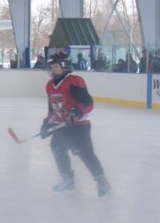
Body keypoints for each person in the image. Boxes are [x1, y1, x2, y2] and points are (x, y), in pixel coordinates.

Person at [39, 52, 111, 197]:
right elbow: (52, 109)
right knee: (57, 147)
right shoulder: (49, 86)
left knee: (84, 153)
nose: (52, 69)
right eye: (51, 67)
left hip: (79, 126)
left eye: (56, 66)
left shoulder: (74, 81)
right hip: (62, 126)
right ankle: (67, 179)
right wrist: (47, 123)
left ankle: (101, 180)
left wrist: (76, 113)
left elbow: (87, 103)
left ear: (64, 66)